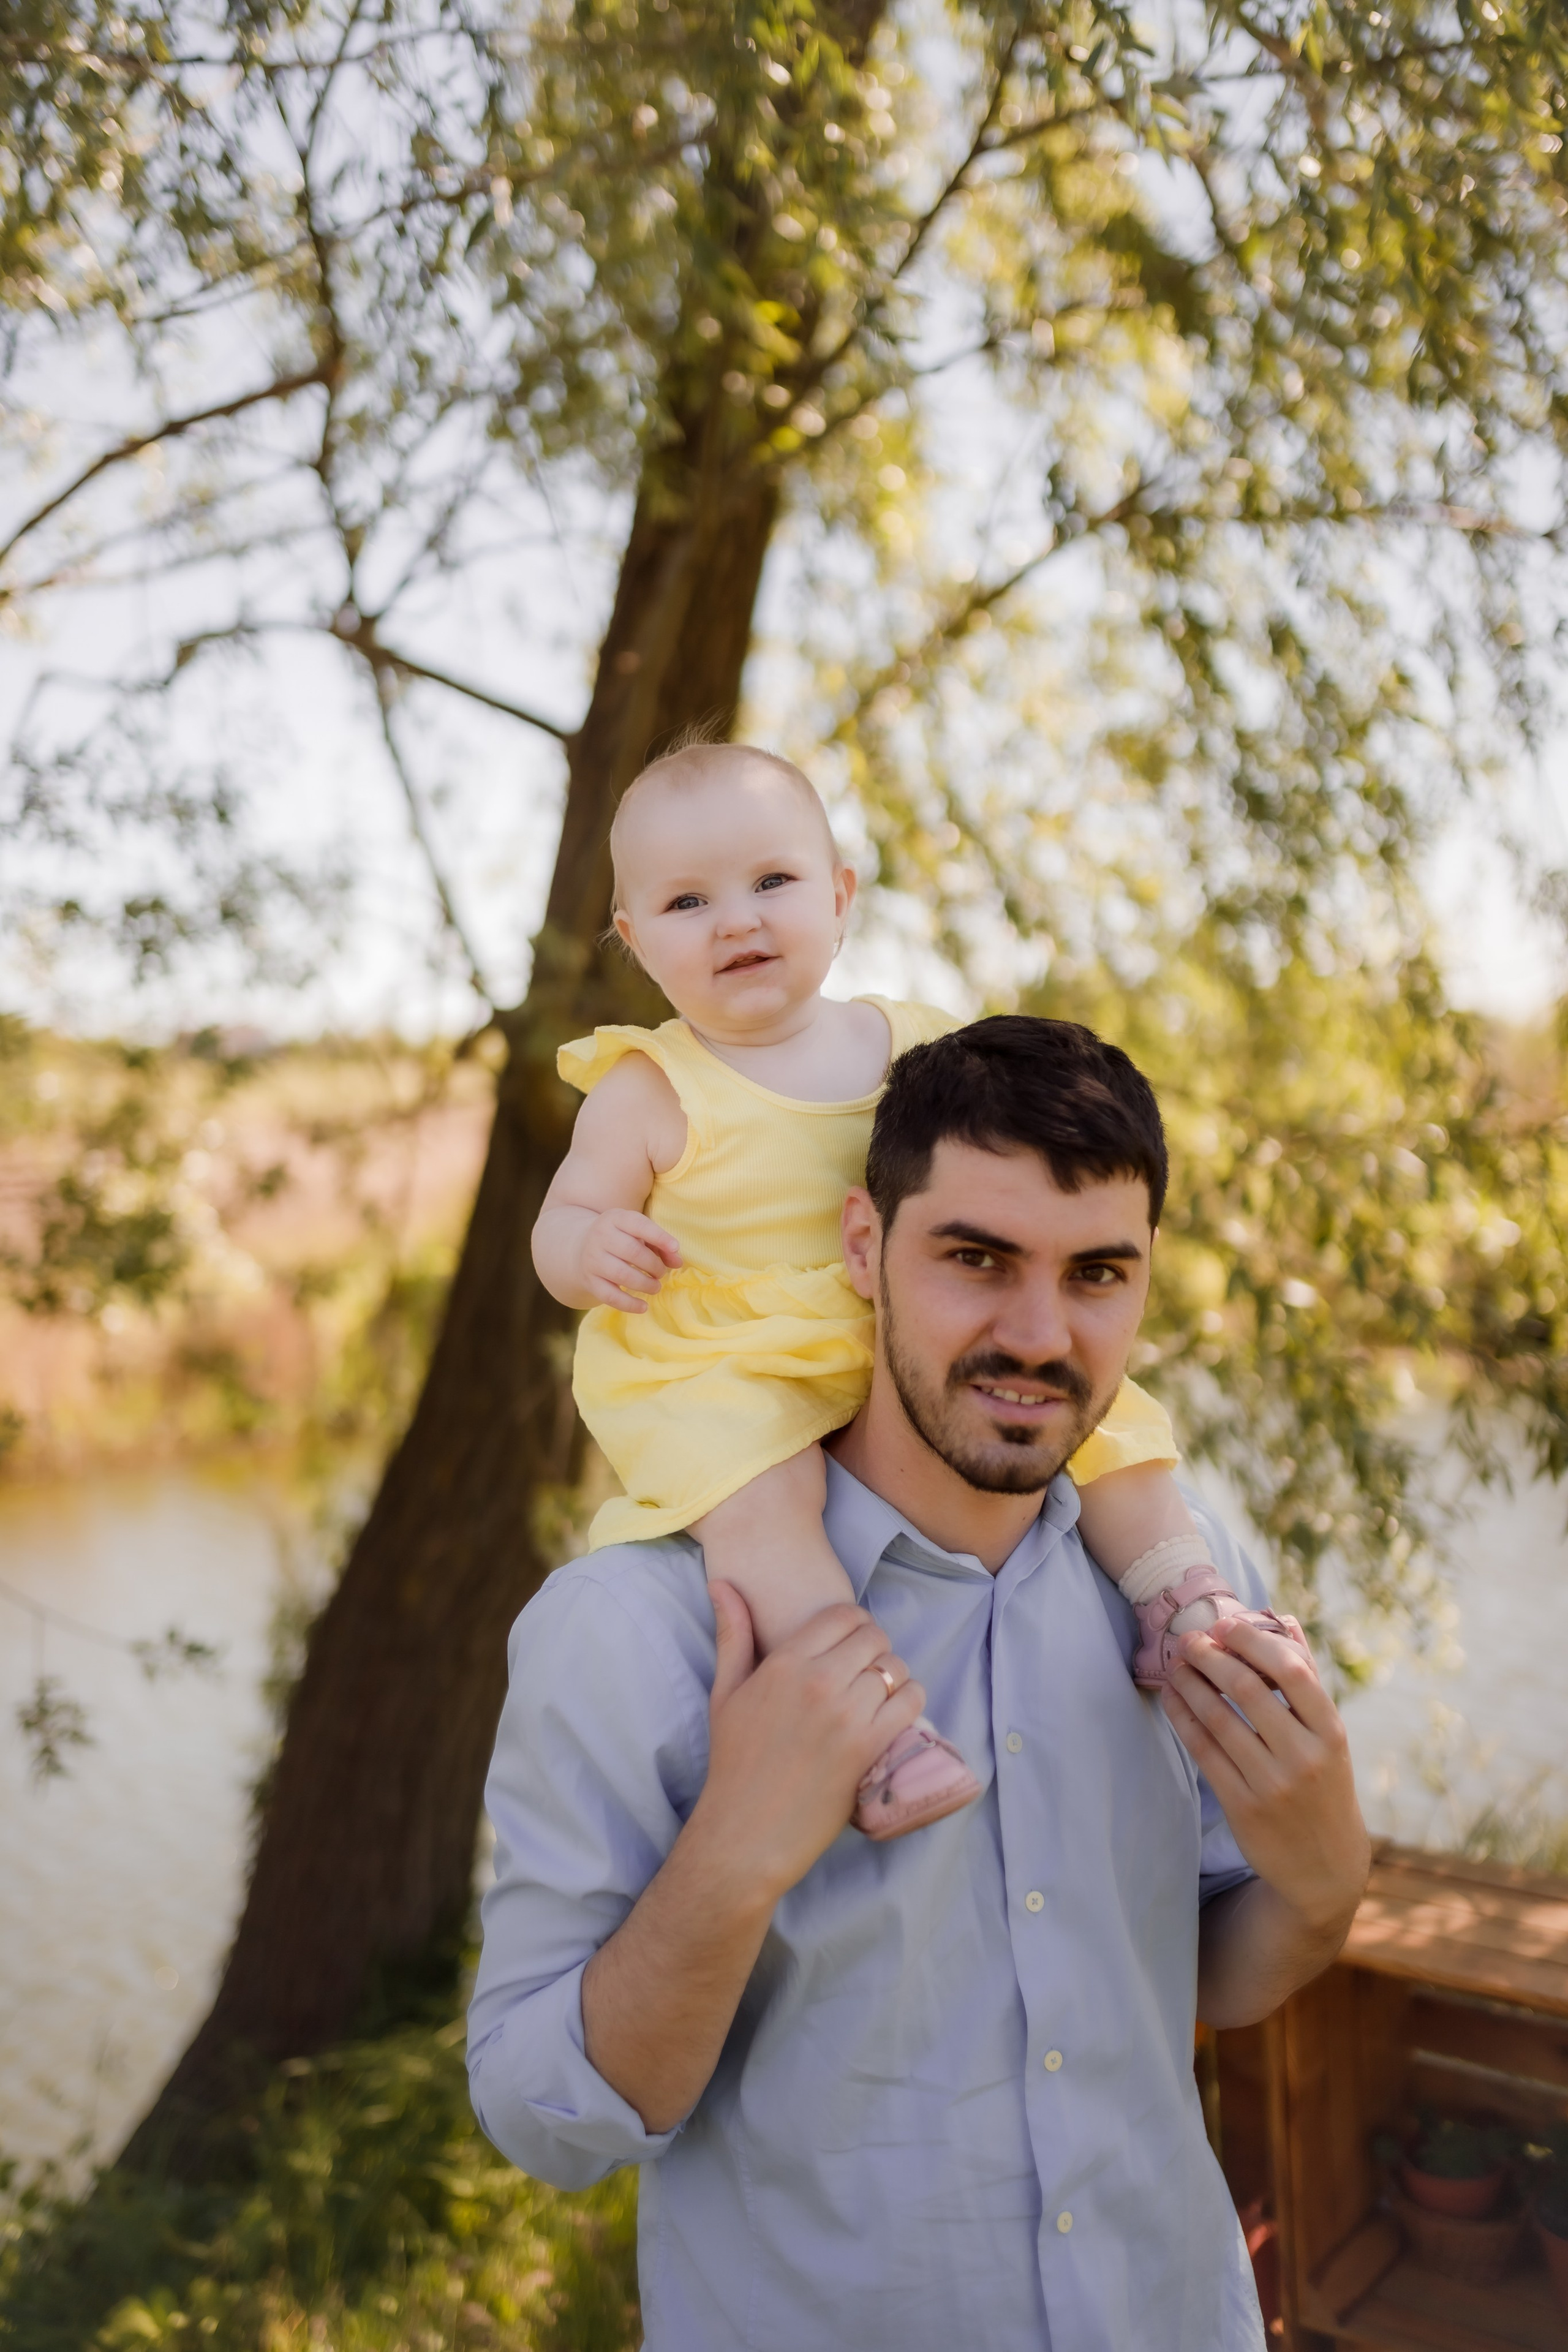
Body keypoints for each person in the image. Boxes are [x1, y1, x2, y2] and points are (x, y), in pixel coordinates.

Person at [470, 1012, 1371, 2352]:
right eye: (974, 1258)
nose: (1037, 1332)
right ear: (859, 1249)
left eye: (1096, 1274)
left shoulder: (1187, 1583)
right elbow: (545, 2124)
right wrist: (730, 1861)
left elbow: (1206, 1979)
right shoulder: (630, 1630)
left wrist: (1322, 1876)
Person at [530, 742, 1294, 1838]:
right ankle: (877, 1733)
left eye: (772, 882)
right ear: (637, 940)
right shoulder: (649, 1087)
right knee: (765, 1509)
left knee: (1107, 1414)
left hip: (898, 1322)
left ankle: (1180, 1595)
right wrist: (591, 1247)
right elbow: (561, 1220)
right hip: (733, 1353)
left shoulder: (910, 1041)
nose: (737, 920)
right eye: (688, 901)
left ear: (840, 898)